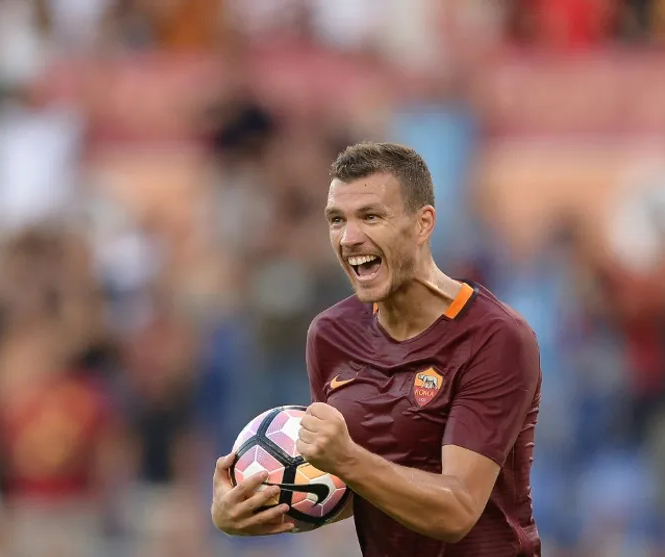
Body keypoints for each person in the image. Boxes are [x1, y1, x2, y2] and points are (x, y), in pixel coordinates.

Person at [211, 142, 542, 557]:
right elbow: (350, 486)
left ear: (422, 224)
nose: (349, 238)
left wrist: (346, 459)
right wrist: (255, 505)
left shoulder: (496, 337)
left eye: (370, 217)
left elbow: (457, 511)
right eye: (337, 220)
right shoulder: (331, 335)